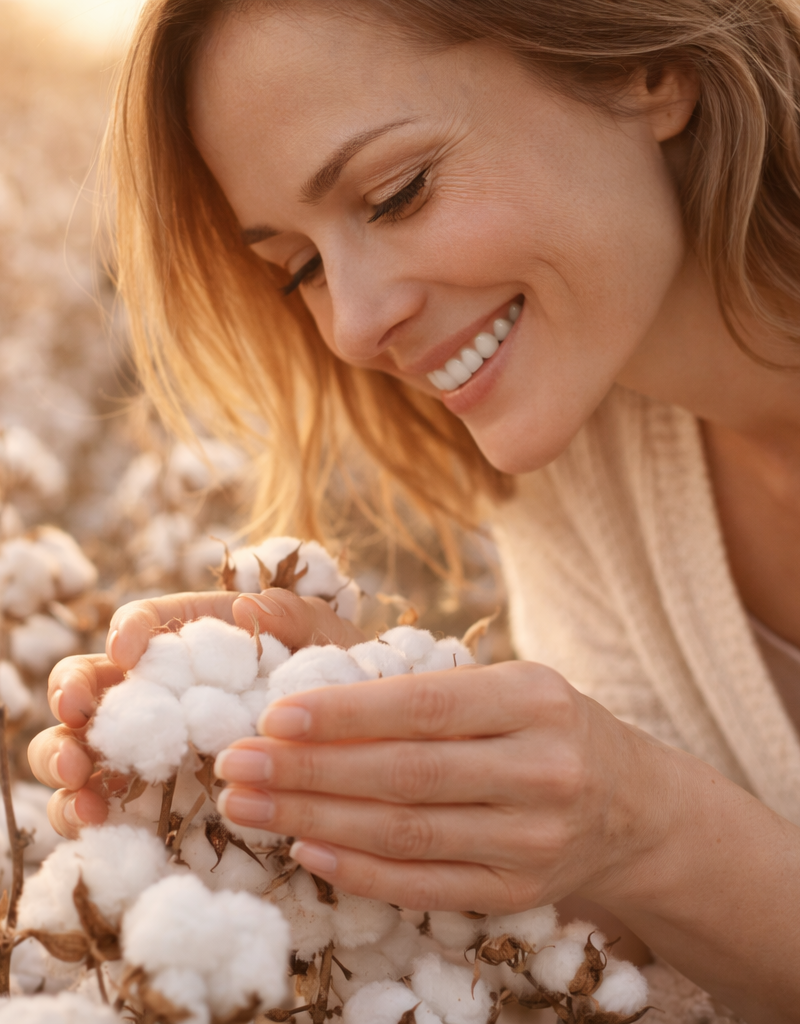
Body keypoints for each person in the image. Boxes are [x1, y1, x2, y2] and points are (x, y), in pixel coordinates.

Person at [27, 1, 800, 1021]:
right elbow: (703, 952)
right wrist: (373, 760)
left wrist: (641, 817)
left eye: (397, 193)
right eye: (296, 267)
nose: (349, 323)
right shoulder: (588, 468)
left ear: (648, 69)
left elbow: (677, 847)